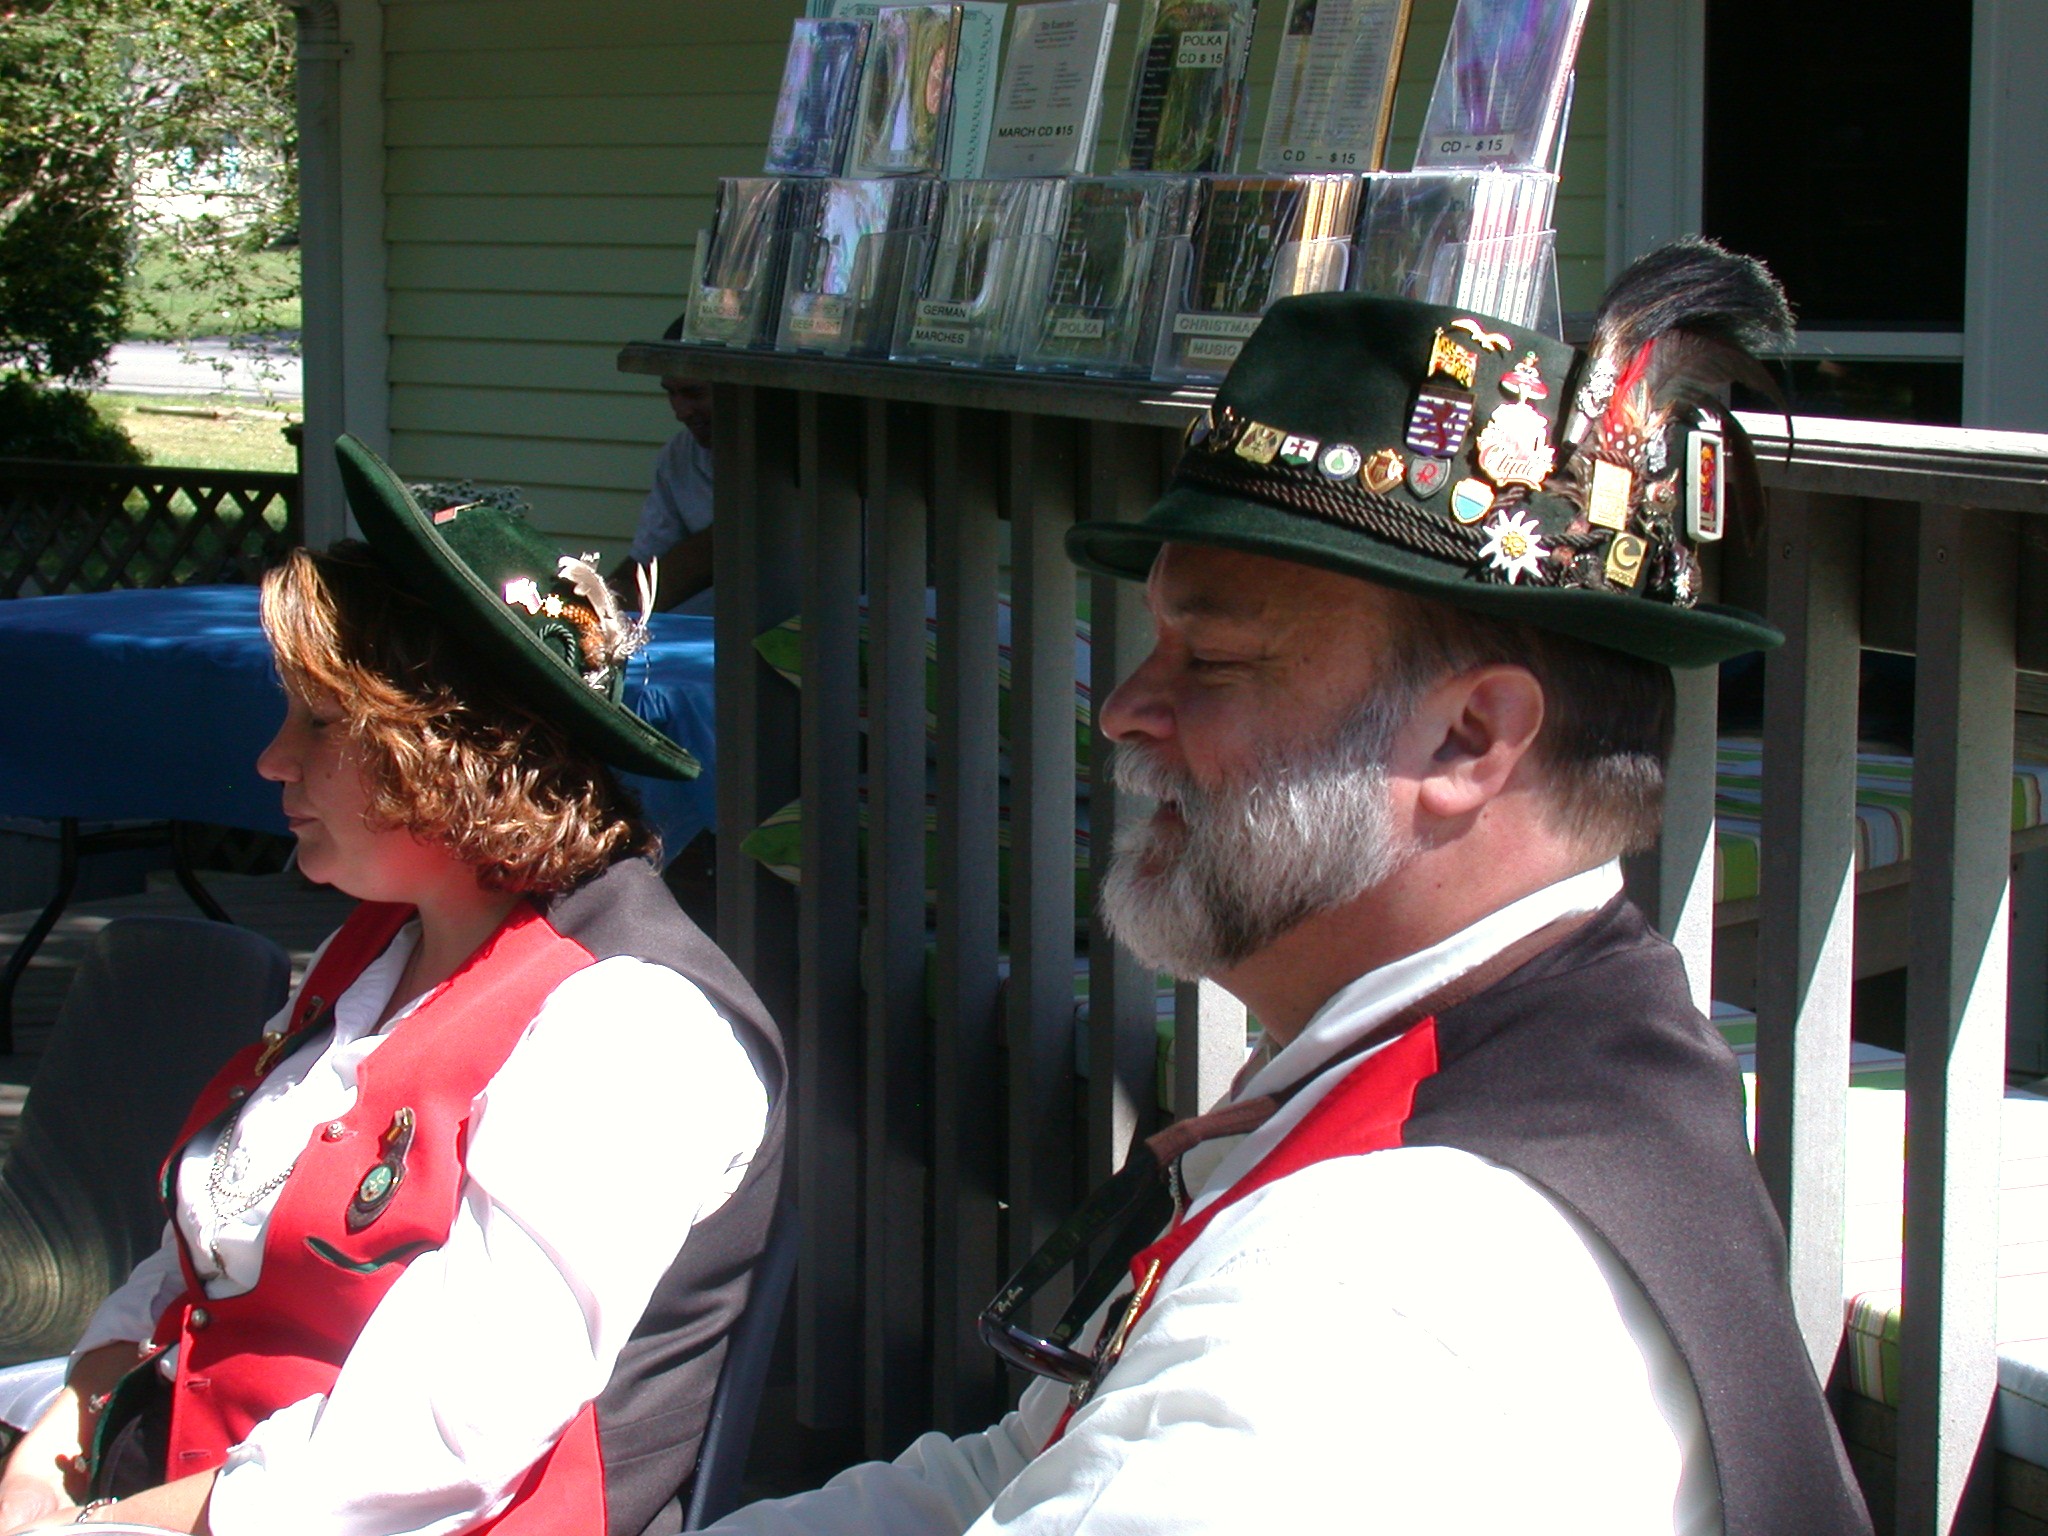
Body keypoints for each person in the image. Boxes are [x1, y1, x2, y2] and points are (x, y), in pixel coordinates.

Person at [702, 242, 1873, 1533]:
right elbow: (1014, 1470)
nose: (1123, 709)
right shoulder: (1547, 1046)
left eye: (1211, 658)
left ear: (1470, 740)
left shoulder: (1373, 1289)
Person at [0, 436, 785, 1535]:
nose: (272, 760)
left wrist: (100, 1528)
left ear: (455, 746)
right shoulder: (374, 952)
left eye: (319, 724)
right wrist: (66, 1434)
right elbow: (201, 1256)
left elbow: (438, 1447)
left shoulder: (634, 1030)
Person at [612, 320, 715, 615]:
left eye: (695, 393)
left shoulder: (798, 459)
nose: (680, 412)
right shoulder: (680, 454)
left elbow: (718, 549)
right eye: (671, 393)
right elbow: (646, 560)